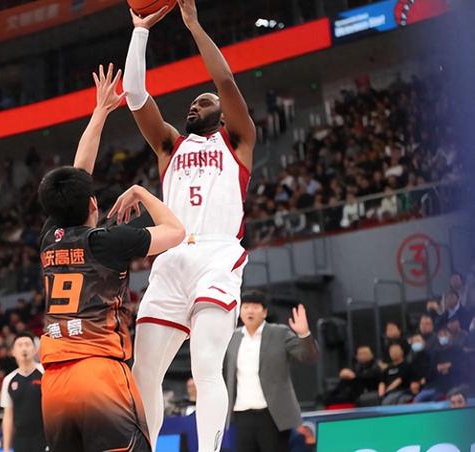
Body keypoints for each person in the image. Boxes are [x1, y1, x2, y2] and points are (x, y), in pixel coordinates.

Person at [123, 1, 257, 449]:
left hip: (217, 254)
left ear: (223, 114)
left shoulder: (238, 141)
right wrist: (140, 32)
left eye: (204, 102)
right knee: (143, 373)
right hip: (172, 258)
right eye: (193, 103)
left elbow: (225, 81)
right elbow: (135, 96)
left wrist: (194, 25)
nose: (194, 105)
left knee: (205, 367)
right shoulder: (169, 145)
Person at [37, 63, 185, 451]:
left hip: (54, 383)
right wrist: (141, 192)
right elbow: (176, 231)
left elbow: (78, 173)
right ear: (92, 204)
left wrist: (100, 112)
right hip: (98, 373)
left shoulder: (48, 239)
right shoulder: (106, 241)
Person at [223, 292, 318, 452]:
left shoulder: (280, 333)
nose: (250, 311)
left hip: (273, 415)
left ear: (265, 312)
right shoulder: (232, 338)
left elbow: (308, 356)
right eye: (245, 307)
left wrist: (304, 334)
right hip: (241, 414)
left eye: (255, 307)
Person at [0, 332, 46, 452]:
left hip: (45, 437)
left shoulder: (45, 372)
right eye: (20, 345)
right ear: (12, 352)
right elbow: (8, 415)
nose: (24, 348)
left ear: (35, 350)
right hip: (21, 440)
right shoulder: (9, 380)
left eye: (27, 344)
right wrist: (6, 448)